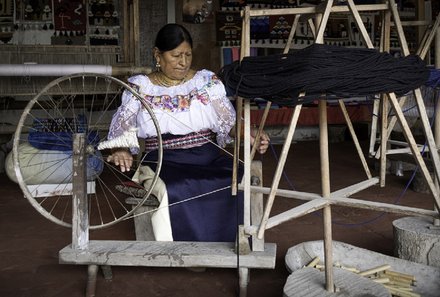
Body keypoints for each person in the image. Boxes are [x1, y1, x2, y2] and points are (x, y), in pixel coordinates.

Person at [106, 23, 270, 242]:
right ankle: (185, 249)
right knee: (177, 187)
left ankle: (234, 243)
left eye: (188, 55)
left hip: (206, 156)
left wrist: (251, 134)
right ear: (158, 54)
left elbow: (229, 122)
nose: (183, 62)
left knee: (236, 177)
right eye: (176, 56)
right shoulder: (140, 87)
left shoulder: (205, 82)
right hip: (163, 161)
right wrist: (121, 149)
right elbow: (123, 127)